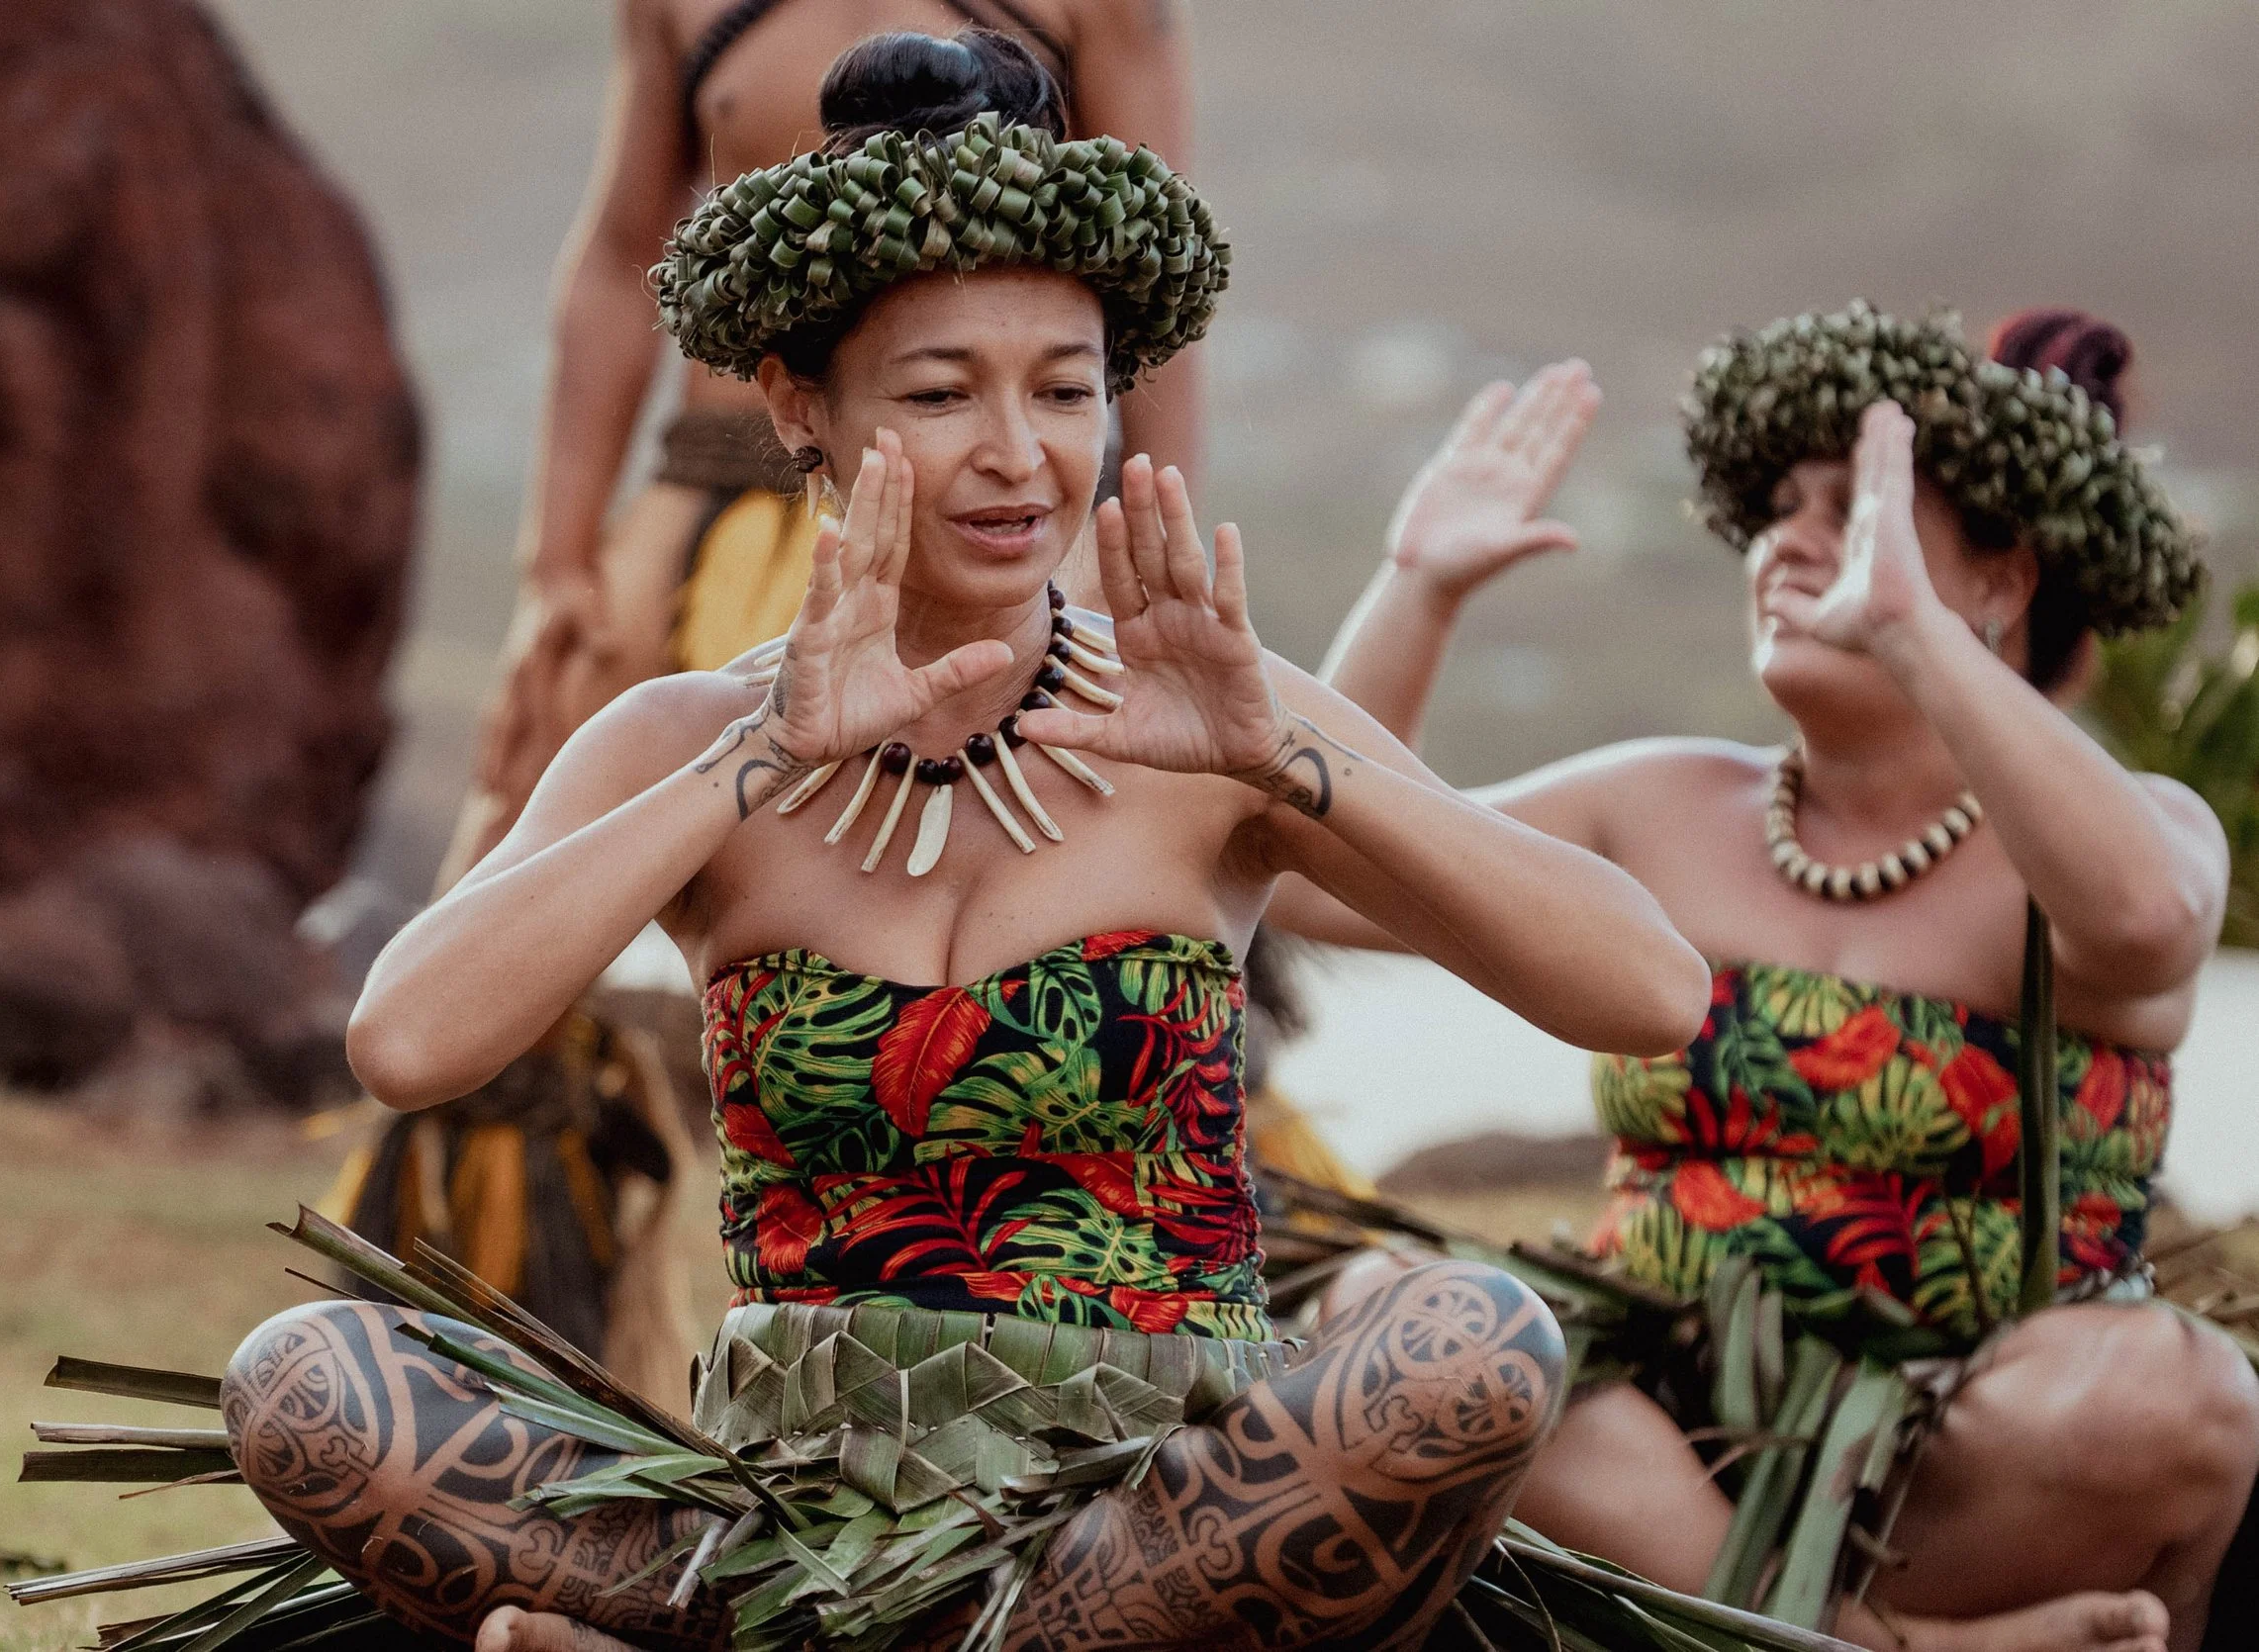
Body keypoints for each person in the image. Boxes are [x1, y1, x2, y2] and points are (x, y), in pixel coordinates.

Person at [235, 35, 1713, 1652]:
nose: (1020, 452)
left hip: (1153, 1531)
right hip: (784, 1525)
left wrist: (1282, 762)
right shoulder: (684, 743)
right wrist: (758, 754)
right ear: (799, 402)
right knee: (307, 1386)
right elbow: (406, 1037)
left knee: (1477, 1344)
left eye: (1066, 390)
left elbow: (1648, 988)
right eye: (942, 394)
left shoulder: (1219, 715)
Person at [1290, 303, 2258, 1652]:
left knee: (2179, 1391)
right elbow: (1314, 878)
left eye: (1851, 512)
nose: (1789, 541)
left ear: (2002, 580)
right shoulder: (1656, 801)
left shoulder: (2117, 833)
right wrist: (1420, 582)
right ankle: (1880, 1648)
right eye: (1778, 509)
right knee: (1382, 1309)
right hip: (1646, 1445)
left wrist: (1918, 632)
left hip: (1960, 1460)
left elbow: (2152, 922)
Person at [325, 6, 1206, 1386]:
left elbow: (1121, 331)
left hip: (1015, 547)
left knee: (1105, 929)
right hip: (715, 531)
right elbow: (621, 257)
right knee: (532, 958)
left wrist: (1144, 560)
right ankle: (532, 1379)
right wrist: (560, 564)